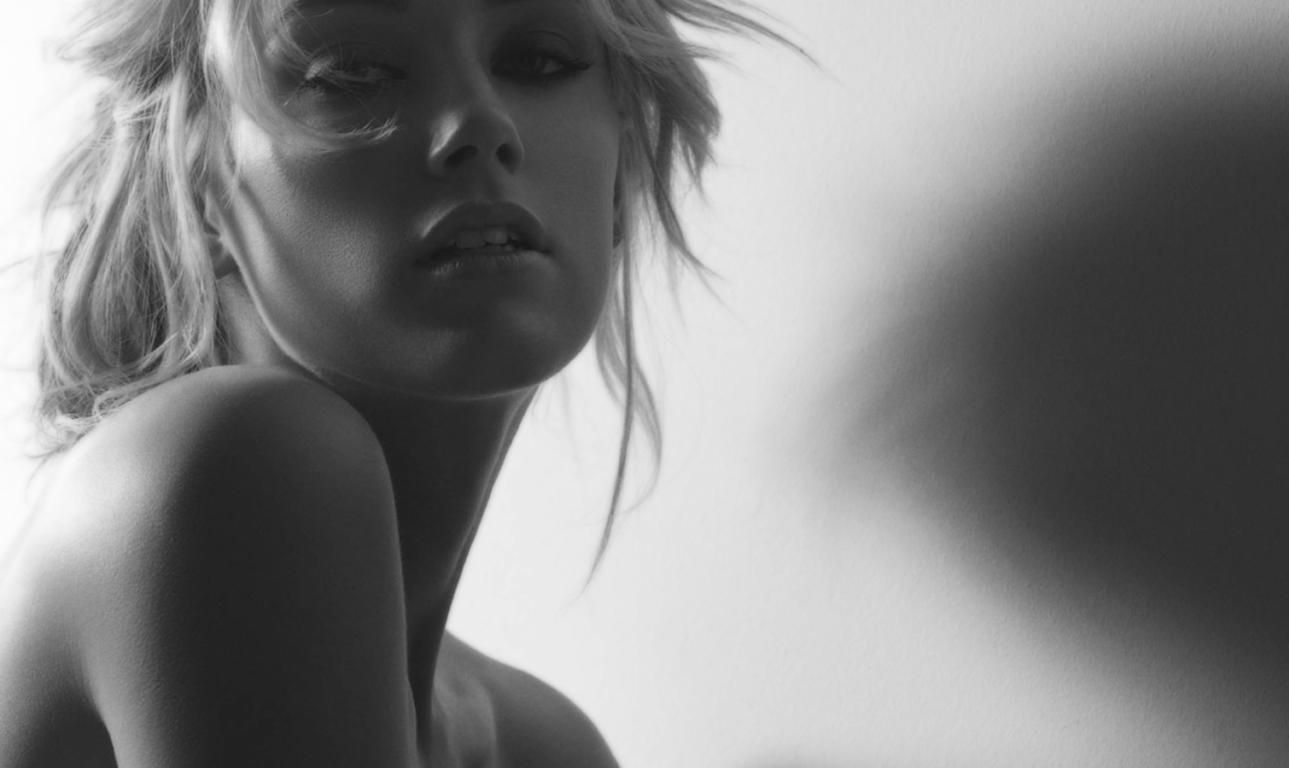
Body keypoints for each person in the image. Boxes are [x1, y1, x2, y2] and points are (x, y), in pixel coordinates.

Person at [0, 0, 790, 764]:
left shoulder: (545, 744)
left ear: (624, 163)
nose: (480, 122)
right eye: (351, 70)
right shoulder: (235, 456)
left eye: (537, 59)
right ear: (192, 173)